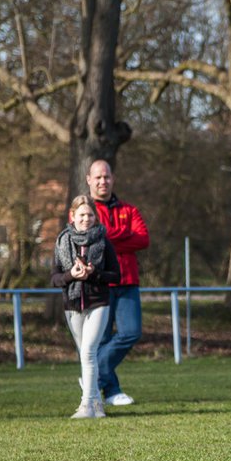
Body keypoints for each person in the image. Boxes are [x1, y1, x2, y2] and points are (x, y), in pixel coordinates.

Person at [86, 159, 149, 406]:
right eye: (98, 177)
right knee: (100, 340)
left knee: (131, 333)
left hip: (127, 281)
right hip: (98, 282)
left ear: (113, 179)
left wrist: (108, 237)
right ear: (89, 179)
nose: (103, 181)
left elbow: (143, 239)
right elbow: (90, 238)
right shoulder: (85, 210)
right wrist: (123, 236)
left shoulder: (129, 210)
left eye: (107, 177)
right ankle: (111, 392)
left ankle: (91, 377)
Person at [52, 195, 121, 418]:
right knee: (85, 353)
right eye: (81, 214)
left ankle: (86, 405)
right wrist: (71, 275)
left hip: (98, 302)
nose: (86, 219)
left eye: (90, 214)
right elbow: (55, 278)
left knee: (89, 351)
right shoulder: (62, 241)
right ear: (72, 216)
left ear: (95, 217)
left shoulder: (103, 241)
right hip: (72, 304)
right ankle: (97, 404)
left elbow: (116, 275)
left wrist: (95, 273)